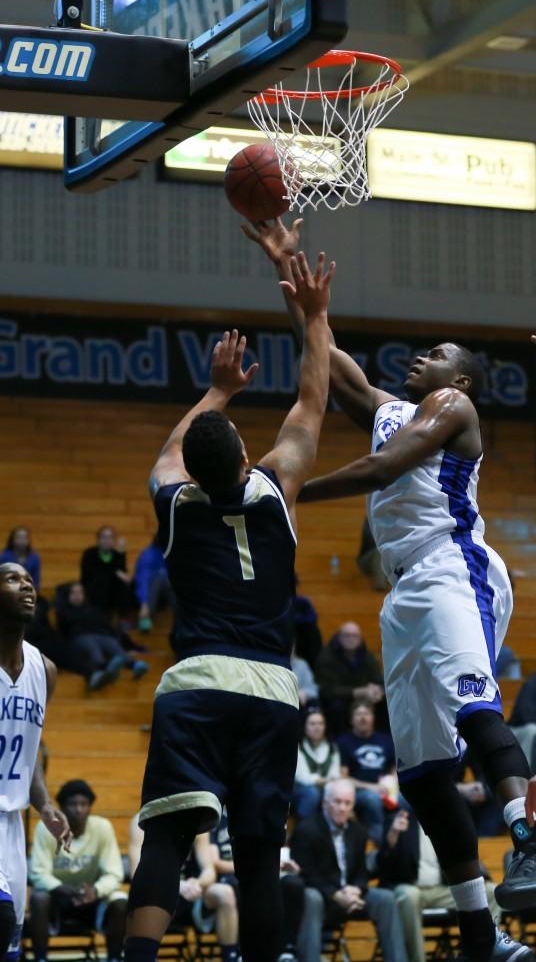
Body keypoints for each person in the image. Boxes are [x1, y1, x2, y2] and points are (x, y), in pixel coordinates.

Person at [245, 220, 536, 960]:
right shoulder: (388, 410)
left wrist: (286, 492)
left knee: (476, 704)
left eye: (438, 355)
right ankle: (482, 934)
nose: (423, 357)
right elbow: (332, 362)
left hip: (456, 566)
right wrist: (298, 288)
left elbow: (384, 472)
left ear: (463, 380)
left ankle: (535, 841)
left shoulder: (453, 410)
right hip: (407, 590)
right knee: (423, 774)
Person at [124, 237, 333, 962]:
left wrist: (216, 391)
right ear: (247, 458)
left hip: (199, 683)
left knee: (167, 840)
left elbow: (168, 455)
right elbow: (312, 398)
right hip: (274, 689)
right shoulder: (279, 489)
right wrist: (313, 315)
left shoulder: (175, 503)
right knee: (255, 857)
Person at [0, 563, 70, 961]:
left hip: (12, 825)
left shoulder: (45, 671)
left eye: (29, 580)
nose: (26, 585)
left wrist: (43, 803)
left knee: (11, 946)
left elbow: (30, 750)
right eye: (12, 579)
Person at [289, 778, 408, 962]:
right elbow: (306, 874)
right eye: (337, 802)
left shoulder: (357, 831)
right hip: (324, 897)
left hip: (350, 895)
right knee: (310, 897)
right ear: (324, 803)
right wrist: (336, 894)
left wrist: (357, 890)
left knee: (386, 899)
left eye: (347, 803)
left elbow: (361, 872)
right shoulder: (306, 830)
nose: (343, 808)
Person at [376, 807, 503, 962]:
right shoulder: (399, 820)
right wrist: (393, 835)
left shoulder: (446, 820)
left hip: (444, 890)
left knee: (491, 891)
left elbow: (465, 855)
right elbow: (383, 866)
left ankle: (486, 954)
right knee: (409, 895)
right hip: (413, 888)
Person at [29, 779, 126, 962]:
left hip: (92, 899)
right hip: (59, 899)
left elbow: (114, 873)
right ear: (62, 807)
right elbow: (38, 873)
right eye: (73, 804)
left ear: (90, 807)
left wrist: (95, 890)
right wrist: (67, 890)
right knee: (38, 897)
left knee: (120, 900)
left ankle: (114, 958)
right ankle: (40, 958)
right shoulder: (47, 829)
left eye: (83, 804)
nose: (79, 809)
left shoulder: (102, 828)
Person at [128, 814, 238, 962]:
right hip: (158, 894)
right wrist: (179, 885)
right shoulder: (142, 820)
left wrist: (198, 883)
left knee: (225, 893)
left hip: (193, 894)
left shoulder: (198, 818)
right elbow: (136, 873)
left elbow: (209, 871)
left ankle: (231, 957)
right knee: (142, 895)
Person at [55, 581, 149, 688]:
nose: (77, 596)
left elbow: (110, 628)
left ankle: (133, 665)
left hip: (101, 636)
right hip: (80, 638)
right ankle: (102, 668)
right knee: (92, 646)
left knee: (113, 644)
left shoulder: (93, 610)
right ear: (67, 595)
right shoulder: (64, 612)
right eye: (74, 593)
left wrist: (131, 646)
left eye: (80, 592)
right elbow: (62, 631)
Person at [337, 700, 396, 843]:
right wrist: (373, 788)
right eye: (358, 714)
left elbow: (395, 767)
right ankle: (383, 844)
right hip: (359, 791)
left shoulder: (386, 740)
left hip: (387, 789)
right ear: (351, 720)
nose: (363, 717)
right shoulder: (343, 742)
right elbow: (343, 778)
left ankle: (405, 844)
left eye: (366, 713)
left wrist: (392, 783)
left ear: (373, 718)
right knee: (372, 799)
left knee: (406, 801)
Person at [314, 621, 385, 736]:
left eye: (355, 636)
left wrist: (378, 691)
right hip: (339, 699)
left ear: (360, 638)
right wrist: (357, 692)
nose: (351, 639)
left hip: (365, 699)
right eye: (347, 635)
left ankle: (382, 743)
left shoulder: (367, 656)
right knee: (336, 707)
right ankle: (340, 742)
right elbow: (326, 690)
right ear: (339, 637)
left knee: (384, 703)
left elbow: (378, 679)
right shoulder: (326, 657)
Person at [293, 709, 341, 820]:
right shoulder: (298, 746)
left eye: (320, 723)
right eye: (312, 723)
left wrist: (330, 782)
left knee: (338, 793)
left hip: (325, 788)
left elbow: (335, 775)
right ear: (305, 726)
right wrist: (325, 781)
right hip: (299, 790)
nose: (317, 727)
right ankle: (303, 829)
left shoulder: (332, 748)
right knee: (312, 793)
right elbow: (302, 778)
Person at [79, 526, 136, 618]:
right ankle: (101, 617)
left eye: (110, 537)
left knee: (127, 584)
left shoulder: (117, 554)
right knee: (102, 581)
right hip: (93, 587)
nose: (107, 540)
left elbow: (122, 572)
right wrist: (114, 572)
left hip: (112, 590)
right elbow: (91, 573)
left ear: (114, 540)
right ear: (98, 539)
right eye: (104, 537)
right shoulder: (89, 553)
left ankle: (124, 617)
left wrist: (122, 553)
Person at [133, 536, 173, 632]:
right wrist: (144, 603)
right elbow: (143, 579)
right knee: (161, 576)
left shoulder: (173, 554)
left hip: (169, 595)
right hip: (150, 597)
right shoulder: (148, 554)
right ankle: (145, 615)